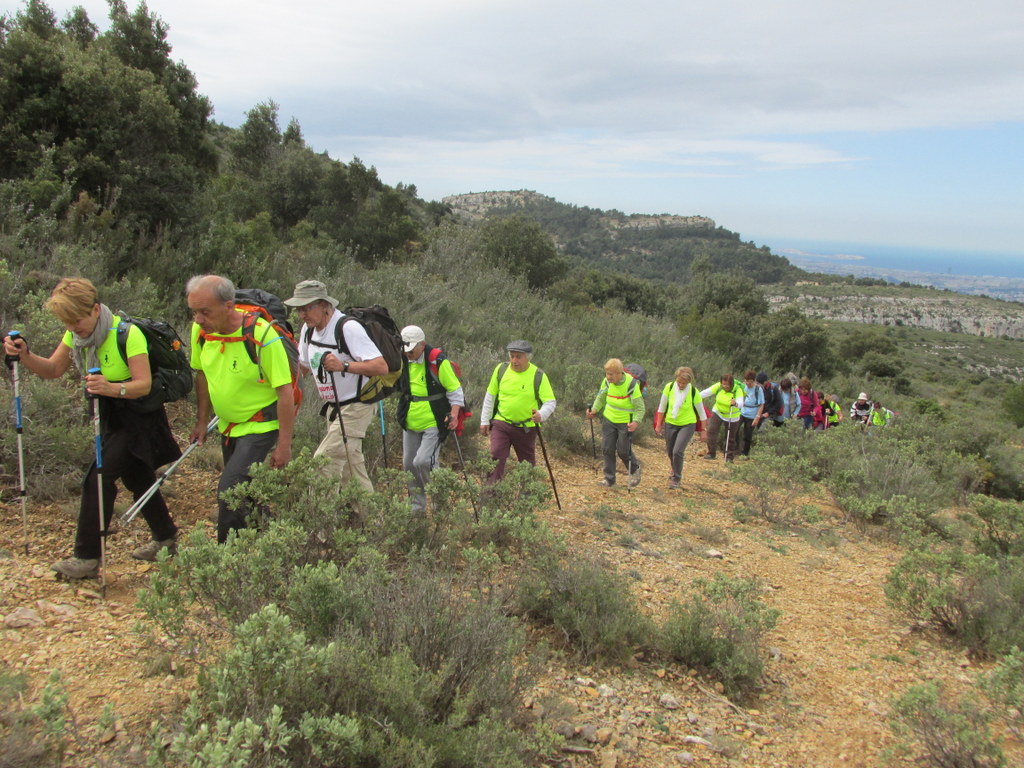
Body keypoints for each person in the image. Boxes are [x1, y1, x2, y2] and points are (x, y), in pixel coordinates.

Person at [3, 278, 181, 579]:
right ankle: (165, 537)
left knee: (97, 480)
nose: (73, 328)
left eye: (77, 320)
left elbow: (143, 384)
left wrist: (111, 388)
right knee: (137, 478)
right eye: (67, 322)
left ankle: (86, 558)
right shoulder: (77, 335)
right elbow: (53, 370)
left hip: (138, 417)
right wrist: (25, 356)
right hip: (109, 415)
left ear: (96, 310)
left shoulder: (128, 334)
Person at [187, 275, 296, 543]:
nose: (198, 319)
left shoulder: (262, 336)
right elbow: (201, 374)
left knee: (230, 490)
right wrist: (201, 422)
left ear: (228, 306)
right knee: (247, 492)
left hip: (261, 425)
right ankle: (276, 539)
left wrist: (284, 445)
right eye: (194, 312)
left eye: (205, 312)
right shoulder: (200, 332)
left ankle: (226, 560)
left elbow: (285, 393)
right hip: (228, 425)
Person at [284, 280, 386, 492]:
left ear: (324, 305)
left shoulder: (348, 328)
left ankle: (321, 521)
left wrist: (344, 366)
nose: (302, 314)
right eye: (299, 309)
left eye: (307, 308)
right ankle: (372, 521)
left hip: (357, 405)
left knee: (323, 462)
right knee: (351, 470)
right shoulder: (308, 330)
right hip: (333, 408)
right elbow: (301, 367)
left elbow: (380, 366)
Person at [396, 325, 465, 514]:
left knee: (424, 461)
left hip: (434, 420)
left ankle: (440, 500)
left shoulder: (437, 361)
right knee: (409, 464)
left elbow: (454, 389)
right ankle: (416, 509)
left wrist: (455, 413)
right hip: (410, 420)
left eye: (411, 349)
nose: (408, 353)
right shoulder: (403, 359)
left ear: (422, 344)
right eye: (405, 349)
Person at [479, 341, 556, 482]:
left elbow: (550, 402)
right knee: (495, 456)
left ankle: (527, 498)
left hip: (526, 428)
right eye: (512, 356)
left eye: (518, 357)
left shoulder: (538, 375)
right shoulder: (501, 370)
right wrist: (484, 421)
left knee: (527, 464)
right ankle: (490, 495)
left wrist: (541, 415)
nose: (514, 361)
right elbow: (490, 396)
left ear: (528, 358)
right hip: (502, 423)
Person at [587, 358, 645, 487]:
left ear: (619, 373)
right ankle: (609, 479)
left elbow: (640, 408)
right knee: (607, 449)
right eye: (607, 373)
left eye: (611, 374)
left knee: (623, 450)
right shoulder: (606, 382)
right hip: (609, 419)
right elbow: (601, 397)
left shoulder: (631, 385)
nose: (608, 377)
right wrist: (594, 410)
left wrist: (636, 422)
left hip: (626, 422)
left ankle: (635, 470)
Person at [654, 366, 707, 489]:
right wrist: (658, 424)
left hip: (687, 424)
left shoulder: (694, 392)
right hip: (670, 422)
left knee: (677, 451)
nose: (681, 385)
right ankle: (674, 468)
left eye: (684, 383)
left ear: (689, 382)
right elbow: (662, 407)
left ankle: (676, 478)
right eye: (679, 382)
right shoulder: (669, 387)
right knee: (670, 450)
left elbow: (702, 413)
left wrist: (704, 431)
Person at [700, 373, 745, 461]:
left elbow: (741, 403)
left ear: (731, 383)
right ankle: (711, 453)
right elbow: (707, 392)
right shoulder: (719, 386)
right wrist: (695, 396)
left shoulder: (737, 390)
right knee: (711, 431)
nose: (725, 386)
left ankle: (728, 457)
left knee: (730, 437)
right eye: (723, 384)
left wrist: (735, 403)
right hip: (718, 412)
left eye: (727, 385)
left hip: (732, 416)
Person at [738, 369, 765, 456]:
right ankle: (735, 448)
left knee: (748, 435)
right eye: (746, 381)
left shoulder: (758, 389)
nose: (747, 383)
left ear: (753, 380)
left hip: (752, 414)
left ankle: (745, 453)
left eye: (749, 382)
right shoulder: (743, 387)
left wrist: (757, 417)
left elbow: (761, 404)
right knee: (735, 429)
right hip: (742, 411)